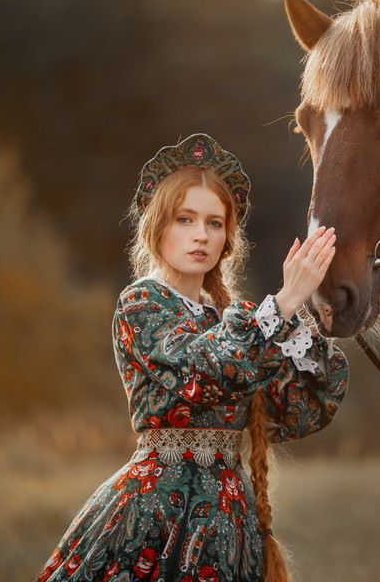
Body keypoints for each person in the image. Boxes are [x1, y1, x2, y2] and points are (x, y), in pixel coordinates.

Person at [38, 133, 348, 582]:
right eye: (185, 219)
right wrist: (278, 307)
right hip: (155, 514)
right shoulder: (142, 304)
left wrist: (299, 318)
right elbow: (200, 370)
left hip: (229, 520)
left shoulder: (239, 322)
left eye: (215, 223)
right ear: (156, 227)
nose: (201, 235)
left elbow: (302, 409)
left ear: (228, 240)